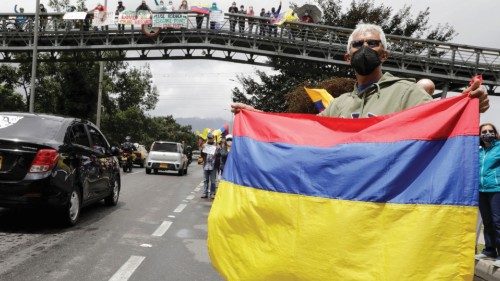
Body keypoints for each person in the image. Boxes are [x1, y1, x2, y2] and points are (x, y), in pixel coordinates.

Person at [232, 23, 489, 116]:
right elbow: (304, 133)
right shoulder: (338, 105)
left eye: (372, 43)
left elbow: (440, 118)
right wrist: (260, 117)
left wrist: (468, 106)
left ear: (384, 53)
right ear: (348, 56)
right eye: (358, 44)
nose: (364, 47)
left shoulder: (406, 94)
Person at [475, 123, 500, 266]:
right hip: (482, 190)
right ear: (480, 135)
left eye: (491, 131)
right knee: (487, 222)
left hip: (496, 189)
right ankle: (489, 250)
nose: (487, 133)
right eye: (484, 131)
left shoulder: (499, 148)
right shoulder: (479, 151)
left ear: (495, 133)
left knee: (498, 222)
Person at [201, 133, 220, 199]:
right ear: (207, 138)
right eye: (209, 138)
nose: (210, 139)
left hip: (213, 166)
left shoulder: (216, 145)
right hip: (206, 165)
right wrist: (202, 149)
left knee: (213, 180)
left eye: (211, 138)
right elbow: (202, 155)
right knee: (205, 180)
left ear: (213, 138)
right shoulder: (205, 145)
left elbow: (219, 155)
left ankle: (212, 193)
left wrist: (217, 149)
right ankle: (205, 193)